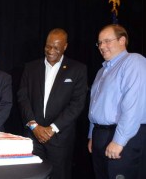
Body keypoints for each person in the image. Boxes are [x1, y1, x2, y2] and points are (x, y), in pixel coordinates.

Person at [17, 28, 88, 179]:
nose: (50, 50)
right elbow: (23, 98)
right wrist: (34, 126)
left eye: (56, 47)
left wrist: (52, 129)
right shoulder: (30, 68)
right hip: (33, 136)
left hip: (60, 139)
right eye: (48, 46)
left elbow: (77, 104)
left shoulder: (78, 69)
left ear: (65, 47)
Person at [88, 24, 146, 179]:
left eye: (107, 41)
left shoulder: (134, 61)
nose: (102, 46)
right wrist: (92, 135)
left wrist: (119, 141)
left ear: (122, 40)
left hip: (123, 137)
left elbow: (134, 106)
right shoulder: (102, 71)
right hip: (100, 135)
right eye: (99, 43)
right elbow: (96, 106)